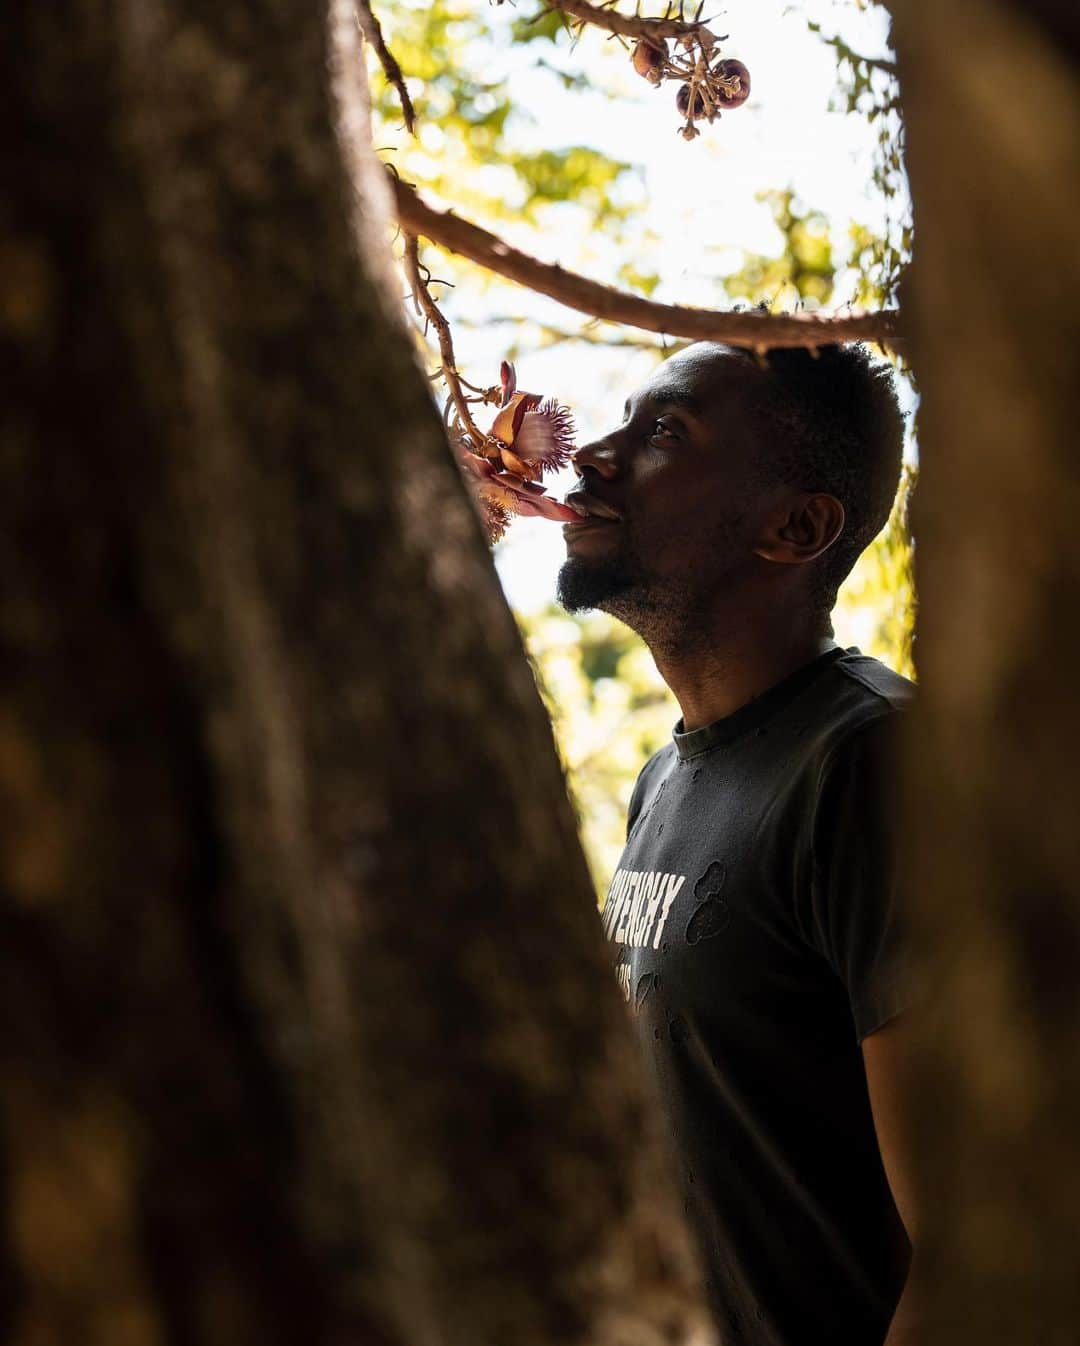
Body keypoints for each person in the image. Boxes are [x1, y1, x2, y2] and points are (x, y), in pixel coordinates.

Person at [557, 342, 916, 1346]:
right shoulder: (664, 778)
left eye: (665, 431)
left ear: (795, 526)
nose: (595, 451)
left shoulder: (871, 766)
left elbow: (970, 1240)